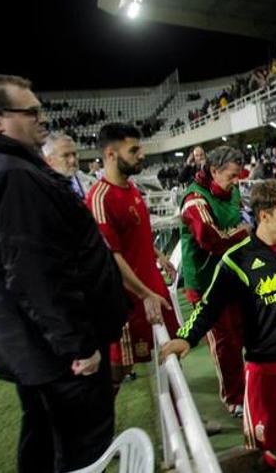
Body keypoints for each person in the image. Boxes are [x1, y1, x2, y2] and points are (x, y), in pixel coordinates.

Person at [0, 73, 128, 472]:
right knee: (81, 452)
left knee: (43, 435)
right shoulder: (10, 173)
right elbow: (34, 272)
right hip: (57, 353)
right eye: (31, 112)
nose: (41, 120)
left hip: (34, 347)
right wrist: (76, 345)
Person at [162, 179, 276, 472]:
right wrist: (185, 338)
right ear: (264, 215)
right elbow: (209, 306)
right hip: (269, 370)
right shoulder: (236, 261)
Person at [86, 123, 179, 388]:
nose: (141, 155)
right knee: (118, 369)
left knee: (172, 349)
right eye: (134, 150)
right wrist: (143, 293)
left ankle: (186, 421)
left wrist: (159, 256)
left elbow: (135, 236)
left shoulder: (132, 188)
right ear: (110, 154)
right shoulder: (99, 198)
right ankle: (102, 427)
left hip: (153, 288)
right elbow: (111, 256)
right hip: (128, 298)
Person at [179, 146, 250, 416]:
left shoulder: (231, 190)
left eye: (238, 177)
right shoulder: (195, 199)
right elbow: (212, 240)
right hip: (206, 279)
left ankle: (247, 384)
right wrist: (241, 235)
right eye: (231, 176)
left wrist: (236, 232)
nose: (236, 182)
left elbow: (235, 222)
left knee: (242, 331)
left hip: (232, 271)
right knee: (225, 340)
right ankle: (234, 398)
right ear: (213, 170)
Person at [42, 131, 88, 199]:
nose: (73, 160)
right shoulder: (41, 188)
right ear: (49, 160)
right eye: (66, 155)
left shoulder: (93, 183)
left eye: (74, 154)